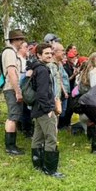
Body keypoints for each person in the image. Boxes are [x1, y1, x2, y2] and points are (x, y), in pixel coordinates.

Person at [29, 43, 65, 178]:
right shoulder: (43, 70)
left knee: (38, 137)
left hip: (37, 109)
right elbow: (42, 93)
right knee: (51, 137)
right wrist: (49, 109)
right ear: (38, 55)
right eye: (46, 53)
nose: (50, 55)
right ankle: (50, 169)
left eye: (51, 53)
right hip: (44, 109)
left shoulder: (36, 68)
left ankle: (37, 164)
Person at [2, 29, 27, 155]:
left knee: (14, 116)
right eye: (20, 39)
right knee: (13, 117)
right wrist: (17, 91)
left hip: (12, 88)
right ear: (15, 40)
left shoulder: (12, 52)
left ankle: (12, 145)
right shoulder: (10, 53)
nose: (22, 41)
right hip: (11, 88)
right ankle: (10, 147)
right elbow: (12, 73)